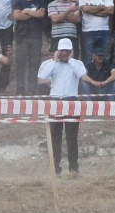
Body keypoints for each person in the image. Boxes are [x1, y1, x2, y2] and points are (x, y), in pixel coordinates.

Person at [36, 36, 105, 172]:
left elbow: (82, 74)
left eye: (67, 51)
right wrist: (55, 61)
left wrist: (71, 60)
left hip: (71, 100)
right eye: (62, 51)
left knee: (71, 136)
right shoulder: (51, 64)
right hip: (55, 100)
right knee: (55, 136)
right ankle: (55, 167)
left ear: (70, 51)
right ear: (58, 51)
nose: (64, 54)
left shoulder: (77, 63)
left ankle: (73, 167)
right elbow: (42, 77)